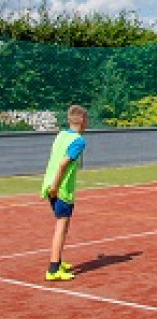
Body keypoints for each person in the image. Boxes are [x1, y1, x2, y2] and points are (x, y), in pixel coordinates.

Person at [41, 104, 88, 282]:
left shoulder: (61, 135)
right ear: (82, 121)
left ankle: (58, 261)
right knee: (61, 227)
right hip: (60, 188)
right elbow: (62, 164)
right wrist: (55, 186)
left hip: (50, 184)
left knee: (63, 225)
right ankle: (53, 269)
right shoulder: (78, 141)